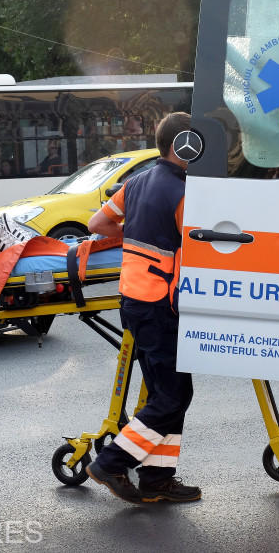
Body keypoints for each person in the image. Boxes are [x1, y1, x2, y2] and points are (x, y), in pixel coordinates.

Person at [86, 112, 199, 504]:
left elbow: (97, 223)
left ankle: (157, 480)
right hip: (159, 305)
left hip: (133, 299)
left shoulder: (135, 182)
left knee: (165, 395)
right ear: (185, 144)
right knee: (172, 397)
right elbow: (201, 245)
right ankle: (112, 463)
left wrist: (131, 229)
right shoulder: (184, 192)